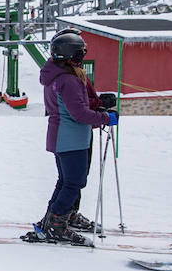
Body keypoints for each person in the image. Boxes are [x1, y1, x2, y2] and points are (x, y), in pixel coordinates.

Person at [23, 30, 115, 246]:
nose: (82, 56)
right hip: (70, 136)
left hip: (64, 135)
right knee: (74, 182)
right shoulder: (69, 80)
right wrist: (106, 118)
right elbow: (78, 113)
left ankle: (54, 219)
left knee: (67, 181)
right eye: (80, 52)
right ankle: (56, 223)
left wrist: (99, 106)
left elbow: (75, 107)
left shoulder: (58, 76)